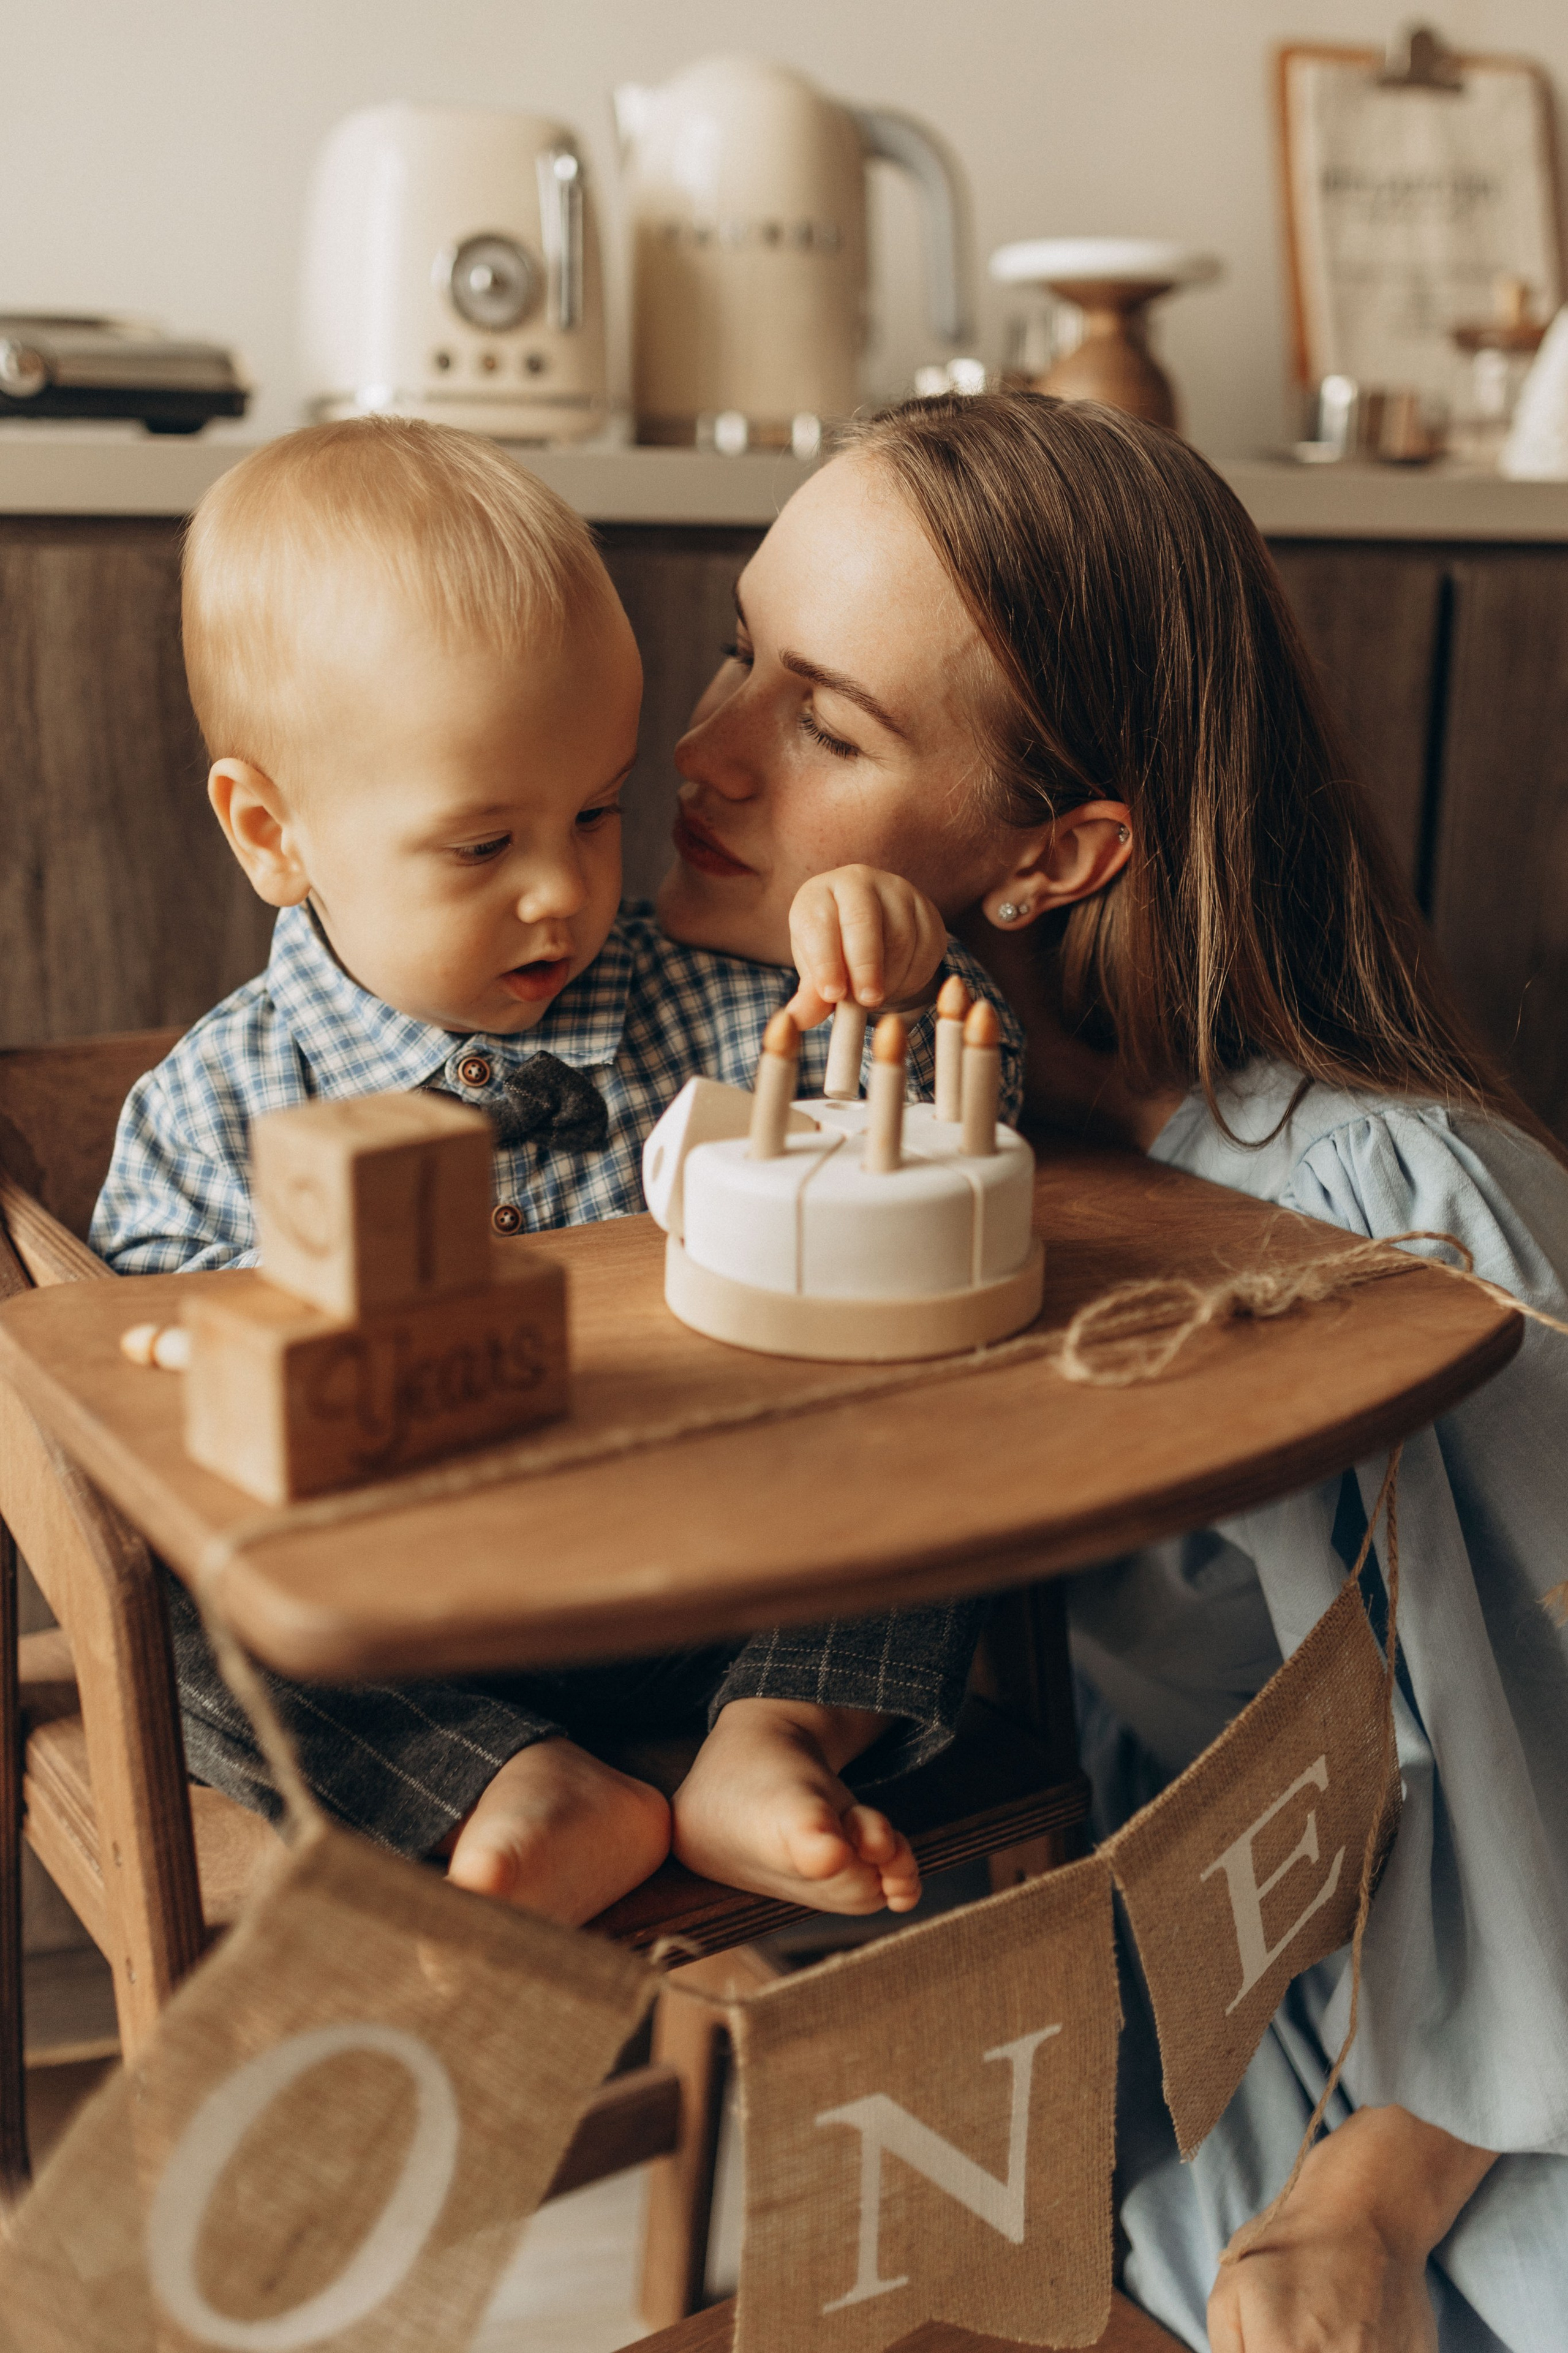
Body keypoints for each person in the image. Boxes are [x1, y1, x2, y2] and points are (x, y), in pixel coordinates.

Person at [649, 391, 1567, 2352]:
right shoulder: (904, 1119)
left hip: (1450, 2093)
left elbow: (1543, 1758)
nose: (703, 749)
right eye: (740, 649)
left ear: (1054, 855)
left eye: (823, 724)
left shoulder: (1368, 1214)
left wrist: (1361, 2216)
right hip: (1165, 1992)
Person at [92, 416, 1032, 1932]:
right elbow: (126, 1408)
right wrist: (216, 1355)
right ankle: (506, 1782)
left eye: (594, 811)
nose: (564, 890)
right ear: (274, 833)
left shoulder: (697, 997)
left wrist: (892, 987)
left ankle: (773, 1735)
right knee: (204, 1631)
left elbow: (933, 1155)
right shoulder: (218, 1111)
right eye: (479, 848)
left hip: (715, 1581)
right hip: (415, 1629)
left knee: (947, 1460)